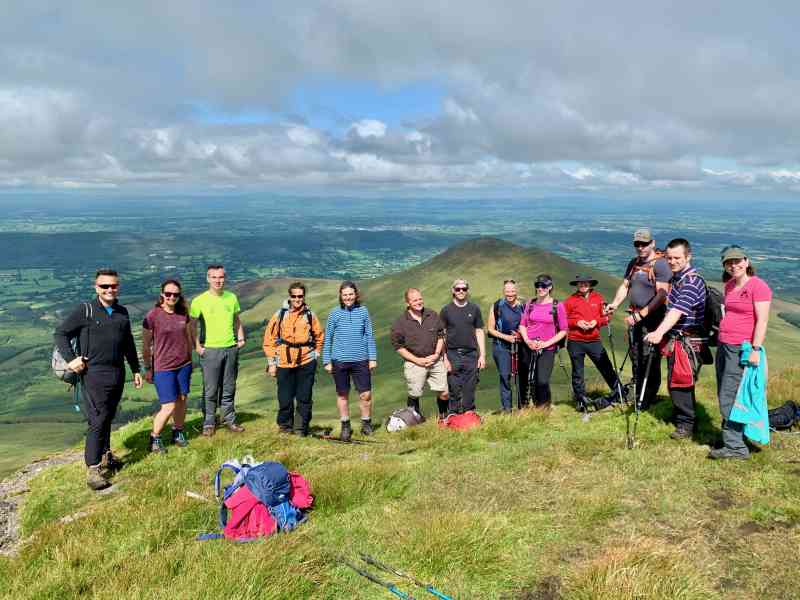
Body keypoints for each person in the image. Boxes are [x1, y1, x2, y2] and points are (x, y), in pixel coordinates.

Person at [54, 269, 143, 490]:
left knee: (108, 416)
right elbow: (61, 333)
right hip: (93, 374)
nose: (109, 289)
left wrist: (135, 369)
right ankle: (93, 469)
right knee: (98, 419)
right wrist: (71, 359)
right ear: (96, 288)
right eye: (104, 286)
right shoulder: (86, 310)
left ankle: (106, 456)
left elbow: (128, 343)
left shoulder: (122, 312)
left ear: (118, 287)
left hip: (117, 373)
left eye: (113, 286)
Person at [710, 245, 772, 459]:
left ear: (746, 261)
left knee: (731, 394)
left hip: (741, 348)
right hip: (724, 345)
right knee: (724, 391)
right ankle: (732, 437)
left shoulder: (758, 286)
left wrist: (755, 349)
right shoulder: (729, 285)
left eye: (737, 261)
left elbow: (762, 321)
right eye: (728, 262)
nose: (733, 265)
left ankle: (735, 447)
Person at [644, 238, 709, 440]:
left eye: (677, 258)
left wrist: (658, 333)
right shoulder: (678, 279)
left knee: (681, 382)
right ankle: (682, 416)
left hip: (687, 341)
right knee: (677, 379)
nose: (672, 261)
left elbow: (677, 311)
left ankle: (686, 424)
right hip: (679, 339)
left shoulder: (691, 282)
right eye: (669, 258)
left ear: (688, 257)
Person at [606, 228, 670, 410]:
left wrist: (641, 314)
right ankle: (639, 393)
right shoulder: (634, 263)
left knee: (649, 358)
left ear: (653, 243)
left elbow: (662, 295)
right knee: (636, 356)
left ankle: (647, 398)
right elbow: (625, 286)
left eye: (644, 244)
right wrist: (614, 304)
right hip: (635, 319)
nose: (640, 247)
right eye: (637, 244)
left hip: (652, 320)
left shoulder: (660, 265)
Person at [190, 264, 246, 437]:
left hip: (230, 348)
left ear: (224, 278)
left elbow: (236, 320)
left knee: (229, 387)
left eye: (221, 277)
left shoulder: (231, 298)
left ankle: (229, 419)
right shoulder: (199, 300)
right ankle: (209, 422)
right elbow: (191, 325)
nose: (218, 280)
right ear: (208, 278)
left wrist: (241, 338)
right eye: (214, 277)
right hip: (210, 350)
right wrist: (197, 347)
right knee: (211, 389)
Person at [263, 282, 324, 436]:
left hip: (306, 361)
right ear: (289, 296)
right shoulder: (280, 315)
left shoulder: (310, 315)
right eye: (294, 296)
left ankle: (300, 428)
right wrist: (272, 363)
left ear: (304, 296)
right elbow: (269, 339)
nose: (297, 299)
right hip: (284, 361)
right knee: (285, 397)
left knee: (304, 397)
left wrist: (316, 354)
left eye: (300, 296)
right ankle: (285, 427)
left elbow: (319, 336)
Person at [142, 279, 193, 454]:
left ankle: (178, 432)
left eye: (175, 294)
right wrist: (148, 368)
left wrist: (190, 359)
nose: (172, 297)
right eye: (168, 294)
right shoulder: (153, 316)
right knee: (169, 405)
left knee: (182, 400)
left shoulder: (183, 313)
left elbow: (187, 337)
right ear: (162, 294)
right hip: (163, 367)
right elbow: (146, 345)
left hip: (184, 364)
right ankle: (154, 438)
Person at [322, 281, 378, 441]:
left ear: (356, 295)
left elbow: (369, 335)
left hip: (361, 359)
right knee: (342, 395)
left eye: (351, 294)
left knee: (366, 394)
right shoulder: (334, 313)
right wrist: (326, 360)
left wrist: (372, 358)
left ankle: (366, 424)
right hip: (339, 360)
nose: (348, 297)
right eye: (345, 295)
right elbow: (328, 337)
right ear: (341, 296)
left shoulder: (363, 311)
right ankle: (345, 425)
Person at [564, 275, 621, 410]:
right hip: (575, 341)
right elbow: (563, 319)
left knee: (606, 367)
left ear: (590, 284)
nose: (583, 285)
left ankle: (619, 393)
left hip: (594, 341)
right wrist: (577, 322)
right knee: (578, 372)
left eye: (586, 283)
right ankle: (581, 401)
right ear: (577, 285)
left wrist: (597, 321)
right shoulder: (570, 301)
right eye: (580, 283)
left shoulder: (598, 298)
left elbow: (607, 316)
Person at [390, 288, 449, 419]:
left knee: (444, 392)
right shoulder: (400, 323)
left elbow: (441, 336)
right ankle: (414, 419)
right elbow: (398, 347)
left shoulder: (432, 315)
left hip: (435, 360)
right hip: (414, 362)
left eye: (420, 299)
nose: (419, 302)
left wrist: (436, 354)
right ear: (407, 303)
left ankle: (443, 417)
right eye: (415, 300)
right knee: (415, 393)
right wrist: (417, 360)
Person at [519, 274, 568, 409]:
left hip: (547, 348)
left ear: (550, 287)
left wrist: (546, 343)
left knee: (542, 380)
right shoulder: (530, 304)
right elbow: (522, 325)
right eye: (538, 286)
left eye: (544, 286)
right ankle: (536, 408)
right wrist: (527, 341)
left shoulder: (557, 306)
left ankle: (544, 408)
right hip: (529, 346)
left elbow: (564, 330)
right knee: (530, 379)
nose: (540, 288)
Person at [441, 279, 486, 415]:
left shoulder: (474, 309)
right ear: (453, 291)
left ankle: (469, 414)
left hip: (471, 354)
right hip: (453, 354)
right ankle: (453, 414)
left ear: (467, 290)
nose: (461, 291)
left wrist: (482, 355)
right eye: (458, 289)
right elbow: (442, 335)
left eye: (464, 289)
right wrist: (444, 358)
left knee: (470, 387)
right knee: (453, 387)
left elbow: (479, 331)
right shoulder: (446, 310)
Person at [486, 279, 529, 412]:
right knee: (505, 376)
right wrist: (507, 337)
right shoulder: (497, 306)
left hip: (521, 345)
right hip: (501, 346)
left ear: (516, 291)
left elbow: (529, 325)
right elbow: (490, 329)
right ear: (503, 291)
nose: (510, 294)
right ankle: (507, 409)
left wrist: (521, 336)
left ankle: (523, 406)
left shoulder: (523, 306)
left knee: (522, 376)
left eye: (512, 291)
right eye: (507, 291)